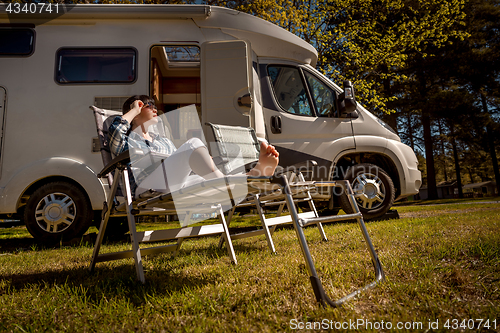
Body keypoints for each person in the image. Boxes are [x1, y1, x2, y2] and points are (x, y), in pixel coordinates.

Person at [108, 95, 279, 197]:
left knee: (205, 178)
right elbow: (115, 134)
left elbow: (179, 167)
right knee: (194, 143)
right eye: (148, 105)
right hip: (145, 187)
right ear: (136, 113)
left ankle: (252, 174)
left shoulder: (163, 141)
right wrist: (133, 111)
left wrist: (199, 159)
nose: (155, 108)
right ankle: (234, 181)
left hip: (171, 185)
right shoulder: (128, 140)